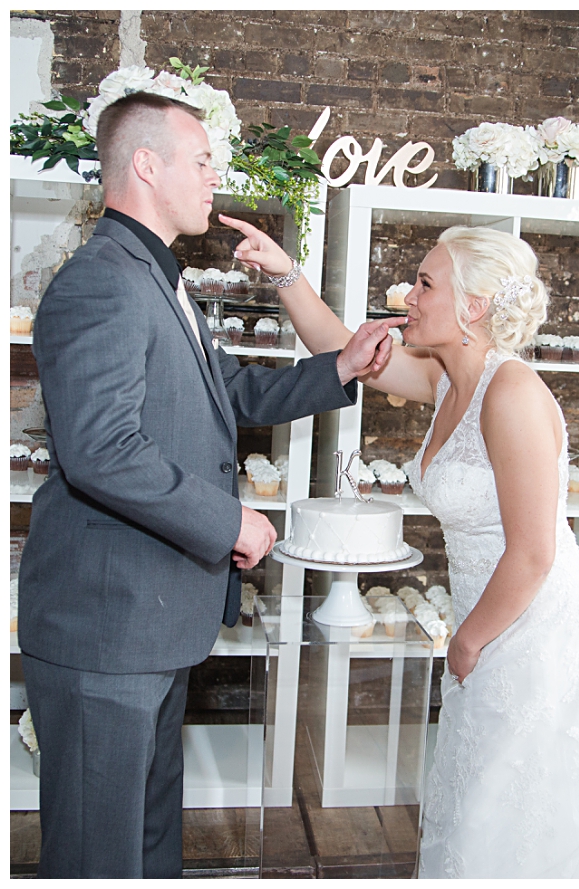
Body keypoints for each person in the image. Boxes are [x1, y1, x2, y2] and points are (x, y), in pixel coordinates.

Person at [19, 92, 398, 879]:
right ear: (146, 164)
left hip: (145, 629)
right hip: (104, 630)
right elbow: (102, 450)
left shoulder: (158, 276)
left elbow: (230, 391)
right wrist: (229, 520)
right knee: (98, 854)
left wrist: (341, 366)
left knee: (149, 843)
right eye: (200, 159)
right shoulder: (101, 280)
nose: (213, 175)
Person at [223, 215, 579, 877]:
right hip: (490, 611)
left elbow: (534, 551)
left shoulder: (511, 392)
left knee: (510, 802)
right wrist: (284, 273)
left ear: (473, 306)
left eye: (424, 283)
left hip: (531, 624)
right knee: (473, 794)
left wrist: (468, 639)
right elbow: (344, 348)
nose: (407, 296)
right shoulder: (448, 378)